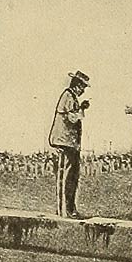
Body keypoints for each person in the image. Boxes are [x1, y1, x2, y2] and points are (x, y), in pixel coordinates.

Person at [48, 70, 90, 219]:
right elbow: (72, 118)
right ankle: (65, 211)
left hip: (71, 143)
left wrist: (81, 108)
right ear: (77, 85)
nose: (83, 90)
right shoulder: (67, 96)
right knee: (67, 177)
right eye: (83, 87)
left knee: (72, 177)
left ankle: (70, 209)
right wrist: (82, 109)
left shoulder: (72, 97)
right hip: (65, 142)